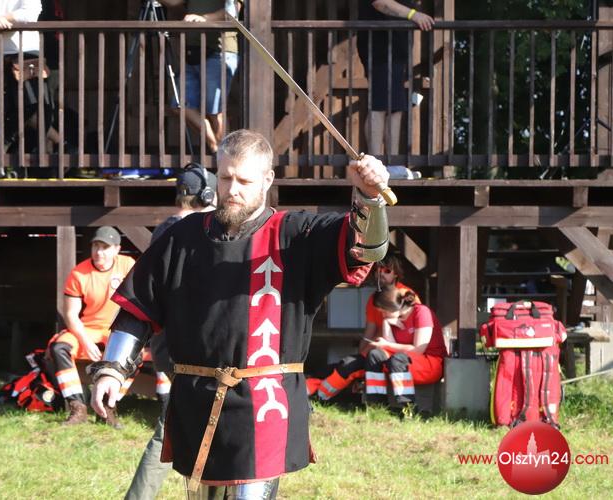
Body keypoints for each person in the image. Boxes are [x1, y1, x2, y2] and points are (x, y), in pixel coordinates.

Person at [89, 129, 390, 497]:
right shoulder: (181, 238)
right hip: (196, 400)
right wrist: (112, 368)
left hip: (265, 403)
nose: (232, 190)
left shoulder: (296, 235)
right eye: (226, 177)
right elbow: (140, 306)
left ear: (267, 180)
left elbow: (366, 249)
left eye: (244, 181)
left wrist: (369, 198)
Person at [124, 163, 218, 500]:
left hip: (168, 344)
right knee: (179, 429)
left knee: (183, 427)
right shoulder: (196, 232)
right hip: (192, 347)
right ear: (207, 194)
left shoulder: (165, 228)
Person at [47, 226, 136, 426]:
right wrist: (86, 342)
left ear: (117, 249)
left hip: (118, 329)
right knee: (59, 348)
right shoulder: (79, 273)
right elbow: (71, 314)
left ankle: (108, 406)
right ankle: (77, 407)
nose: (99, 252)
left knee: (135, 354)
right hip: (87, 329)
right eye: (96, 246)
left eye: (105, 247)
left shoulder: (128, 265)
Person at [311, 252, 421, 400]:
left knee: (354, 364)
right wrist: (361, 356)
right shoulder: (373, 299)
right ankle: (317, 395)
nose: (381, 273)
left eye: (387, 270)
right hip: (377, 351)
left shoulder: (407, 295)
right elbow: (369, 333)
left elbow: (414, 336)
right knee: (345, 364)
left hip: (399, 356)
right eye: (378, 270)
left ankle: (318, 395)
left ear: (396, 273)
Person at [317, 284, 445, 410]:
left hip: (430, 362)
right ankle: (377, 406)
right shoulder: (393, 319)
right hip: (403, 359)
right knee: (373, 356)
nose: (382, 315)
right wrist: (386, 323)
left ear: (392, 308)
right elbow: (389, 348)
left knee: (397, 360)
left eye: (384, 312)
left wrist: (386, 344)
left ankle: (407, 407)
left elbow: (418, 350)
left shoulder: (421, 312)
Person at [0, 0, 60, 159]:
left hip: (27, 50)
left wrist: (1, 19)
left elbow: (31, 12)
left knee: (36, 103)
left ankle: (6, 144)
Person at [358, 0, 433, 177]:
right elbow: (380, 2)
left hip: (396, 51)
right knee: (379, 107)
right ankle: (375, 166)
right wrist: (413, 14)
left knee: (395, 108)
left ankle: (392, 164)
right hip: (380, 49)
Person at [160, 0, 242, 153]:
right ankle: (217, 148)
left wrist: (205, 18)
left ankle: (225, 156)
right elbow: (174, 3)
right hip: (192, 51)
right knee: (180, 104)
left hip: (219, 50)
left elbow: (233, 9)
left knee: (215, 111)